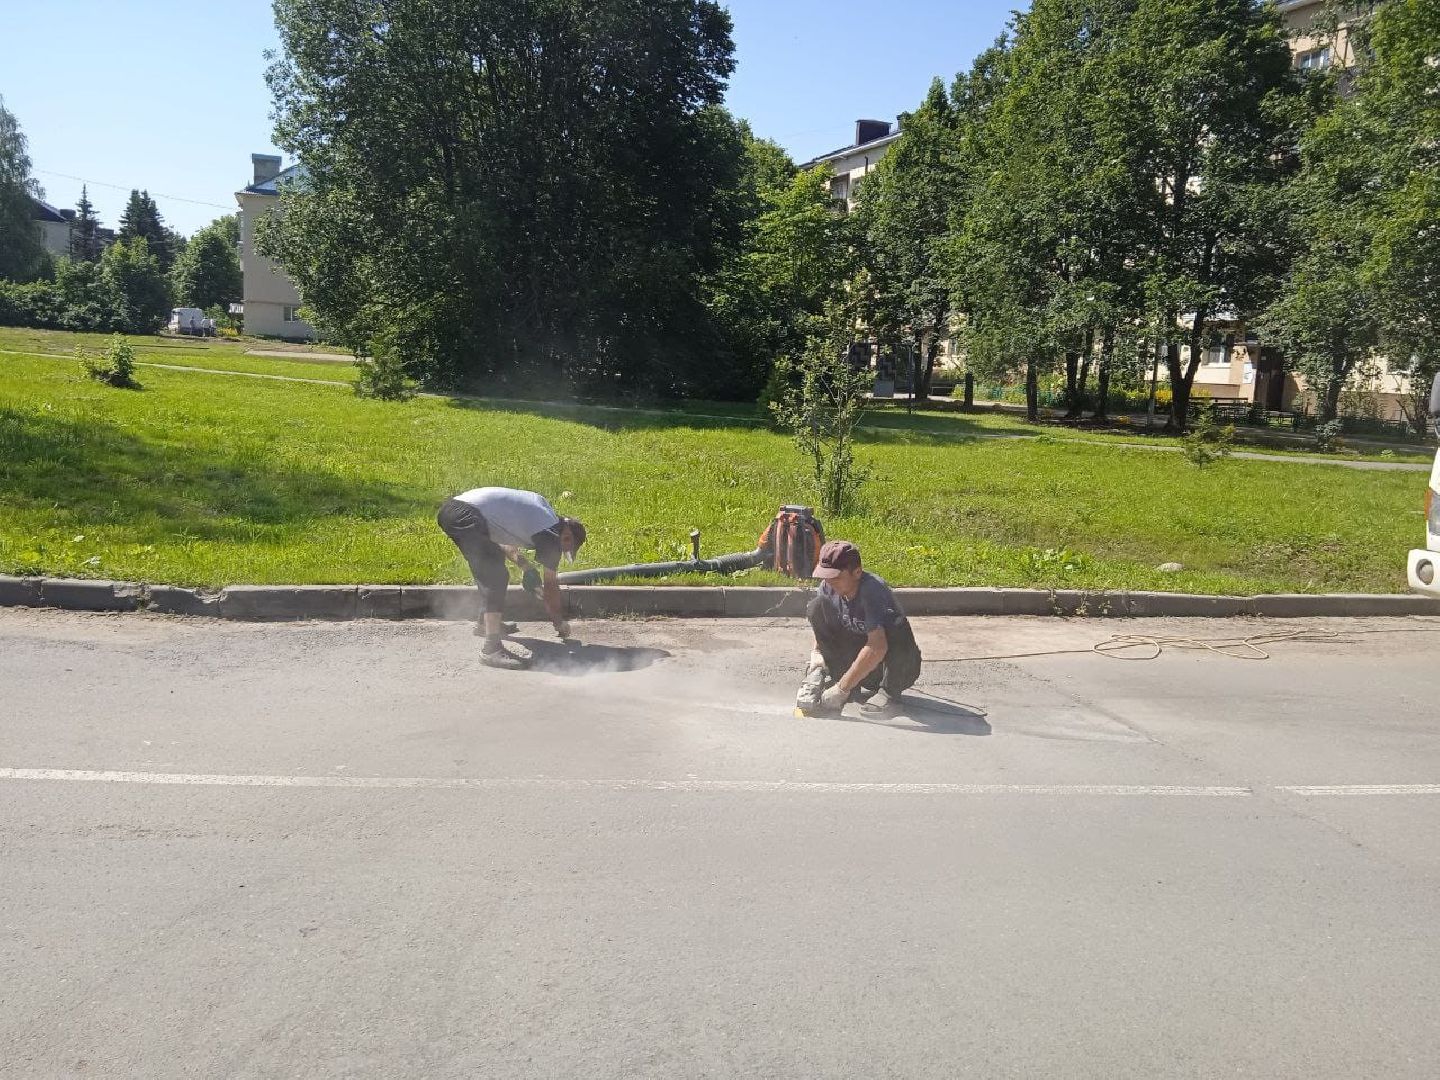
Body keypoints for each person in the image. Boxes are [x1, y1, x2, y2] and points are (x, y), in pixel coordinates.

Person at [437, 487, 587, 669]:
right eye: (566, 549)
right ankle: (491, 650)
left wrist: (526, 567)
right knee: (495, 576)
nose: (562, 551)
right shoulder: (552, 533)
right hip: (467, 515)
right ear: (568, 537)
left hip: (456, 510)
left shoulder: (544, 515)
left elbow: (502, 539)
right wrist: (559, 621)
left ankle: (484, 624)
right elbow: (550, 586)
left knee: (492, 565)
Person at [797, 540, 921, 715]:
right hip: (860, 665)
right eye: (826, 576)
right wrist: (817, 660)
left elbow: (877, 647)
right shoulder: (828, 587)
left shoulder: (872, 591)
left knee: (896, 624)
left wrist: (841, 689)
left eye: (836, 577)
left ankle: (889, 693)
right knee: (816, 607)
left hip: (892, 667)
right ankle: (847, 684)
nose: (829, 582)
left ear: (857, 572)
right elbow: (824, 625)